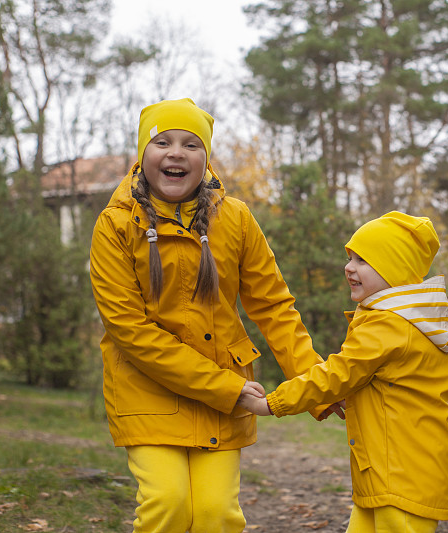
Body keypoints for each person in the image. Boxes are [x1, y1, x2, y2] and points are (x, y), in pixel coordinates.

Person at [89, 97, 341, 533]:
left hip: (224, 394)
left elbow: (274, 305)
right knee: (167, 505)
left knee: (214, 515)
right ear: (141, 154)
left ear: (205, 159)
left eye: (191, 144)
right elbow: (129, 330)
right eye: (162, 141)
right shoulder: (114, 226)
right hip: (148, 389)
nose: (176, 153)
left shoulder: (236, 218)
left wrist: (315, 381)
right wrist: (229, 389)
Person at [239, 211, 448, 533]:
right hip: (395, 471)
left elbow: (335, 375)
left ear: (395, 270)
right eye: (350, 258)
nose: (349, 267)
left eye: (363, 261)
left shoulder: (389, 324)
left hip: (401, 475)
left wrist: (271, 403)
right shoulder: (403, 321)